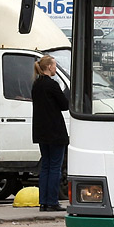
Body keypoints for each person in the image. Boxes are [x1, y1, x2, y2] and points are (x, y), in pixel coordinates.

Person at [31, 55, 69, 212]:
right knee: (55, 167)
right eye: (53, 65)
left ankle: (43, 202)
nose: (54, 68)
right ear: (48, 67)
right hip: (55, 131)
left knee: (45, 166)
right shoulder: (52, 85)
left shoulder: (36, 85)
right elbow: (64, 105)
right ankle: (52, 201)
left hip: (41, 131)